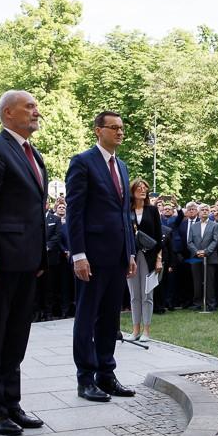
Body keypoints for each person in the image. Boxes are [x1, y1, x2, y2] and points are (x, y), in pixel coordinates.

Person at [0, 90, 49, 436]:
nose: (36, 111)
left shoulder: (33, 154)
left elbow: (33, 213)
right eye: (29, 107)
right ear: (8, 114)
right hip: (0, 261)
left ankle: (12, 403)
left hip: (27, 261)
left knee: (16, 336)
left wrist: (40, 256)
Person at [65, 111, 137, 402]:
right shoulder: (83, 163)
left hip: (118, 255)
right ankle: (85, 378)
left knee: (110, 319)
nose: (120, 132)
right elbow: (75, 211)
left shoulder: (122, 166)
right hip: (92, 256)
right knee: (87, 317)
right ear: (98, 131)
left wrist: (130, 252)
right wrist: (79, 254)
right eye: (114, 128)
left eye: (122, 128)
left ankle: (106, 374)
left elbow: (124, 214)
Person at [127, 178, 162, 341]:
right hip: (131, 257)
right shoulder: (126, 210)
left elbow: (159, 237)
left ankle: (146, 331)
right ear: (132, 190)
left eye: (145, 188)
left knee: (147, 294)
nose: (143, 190)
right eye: (139, 187)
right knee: (134, 295)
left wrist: (159, 259)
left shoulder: (152, 210)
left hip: (149, 257)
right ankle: (135, 330)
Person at [187, 203, 218, 311]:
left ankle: (211, 304)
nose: (204, 211)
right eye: (202, 209)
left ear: (209, 212)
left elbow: (216, 241)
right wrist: (197, 252)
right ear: (198, 212)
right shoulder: (193, 226)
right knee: (197, 281)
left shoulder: (214, 225)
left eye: (206, 209)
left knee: (210, 282)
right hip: (196, 257)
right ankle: (197, 304)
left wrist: (206, 251)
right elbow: (189, 242)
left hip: (210, 257)